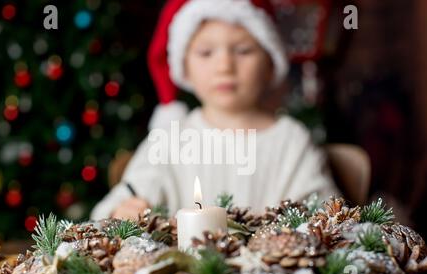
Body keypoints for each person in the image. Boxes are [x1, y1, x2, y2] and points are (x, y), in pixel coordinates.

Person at [91, 0, 340, 221]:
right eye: (206, 53)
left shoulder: (290, 142)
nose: (224, 66)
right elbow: (120, 204)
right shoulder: (171, 140)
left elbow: (328, 219)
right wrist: (120, 213)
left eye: (243, 51)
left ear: (269, 62)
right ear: (184, 67)